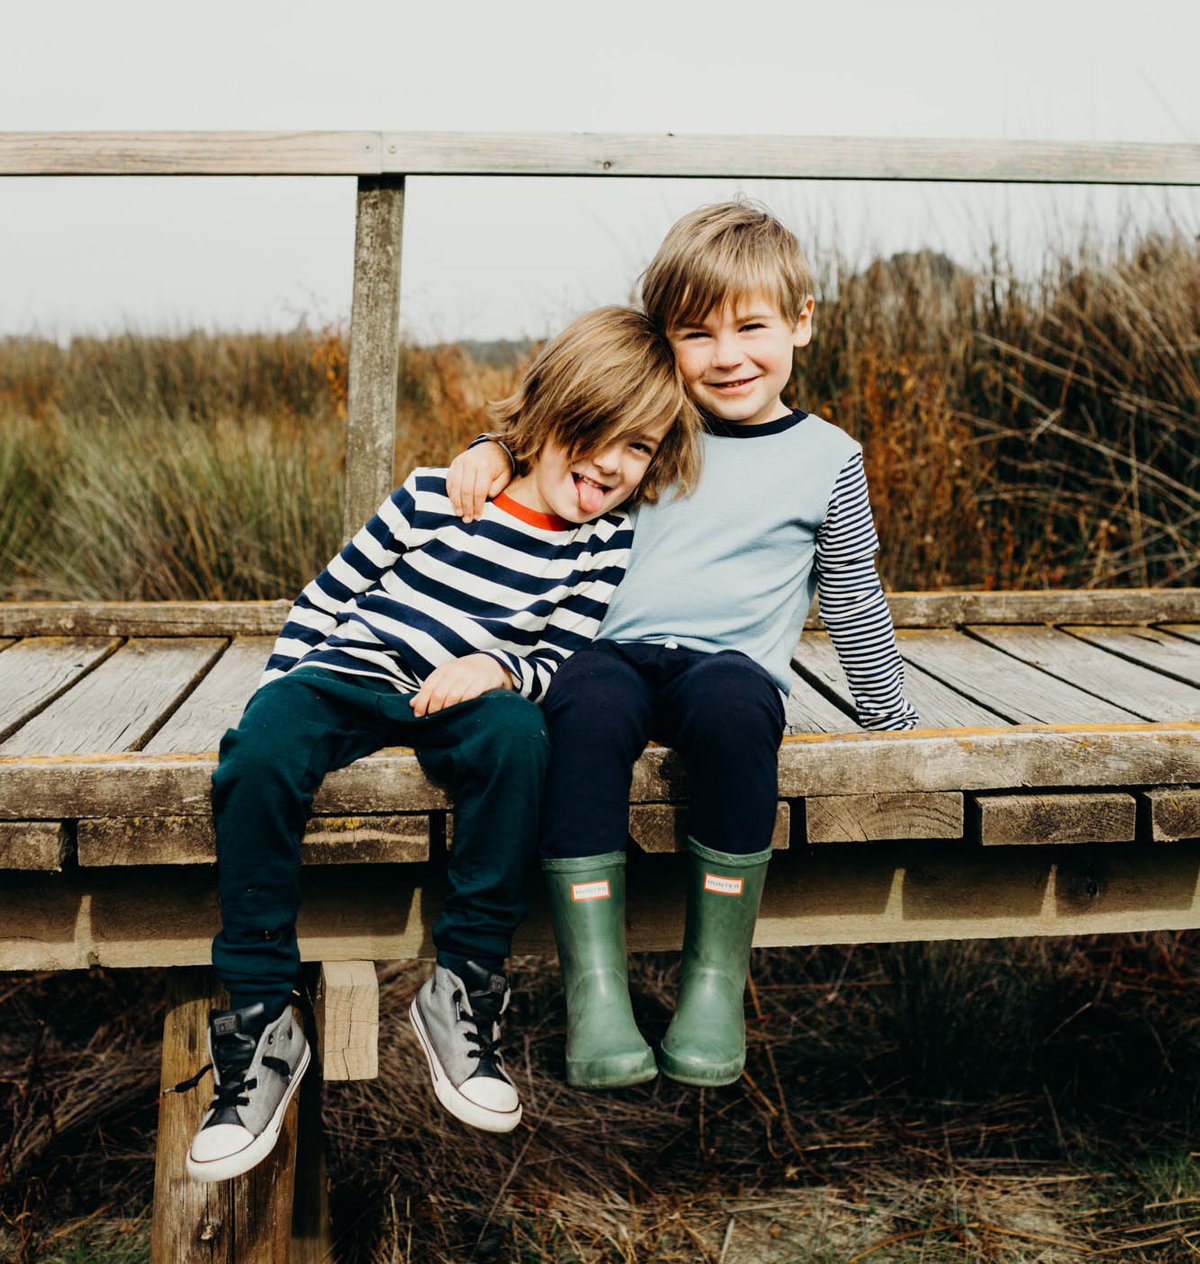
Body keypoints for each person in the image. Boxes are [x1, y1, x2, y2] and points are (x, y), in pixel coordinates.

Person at [181, 306, 701, 1182]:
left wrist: (497, 667)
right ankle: (264, 1018)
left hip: (468, 696)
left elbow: (563, 655)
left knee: (522, 741)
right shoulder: (437, 490)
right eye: (598, 433)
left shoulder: (603, 543)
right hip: (354, 668)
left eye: (641, 447)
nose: (614, 463)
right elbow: (329, 593)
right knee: (258, 753)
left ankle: (460, 985)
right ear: (546, 416)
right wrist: (283, 683)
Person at [448, 201, 918, 1092]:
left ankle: (713, 980)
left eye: (752, 328)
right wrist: (489, 448)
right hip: (612, 654)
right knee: (580, 708)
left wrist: (890, 717)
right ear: (665, 339)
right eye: (696, 334)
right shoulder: (654, 422)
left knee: (742, 711)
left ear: (802, 322)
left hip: (727, 667)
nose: (728, 356)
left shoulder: (829, 456)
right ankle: (597, 985)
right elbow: (555, 437)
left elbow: (854, 596)